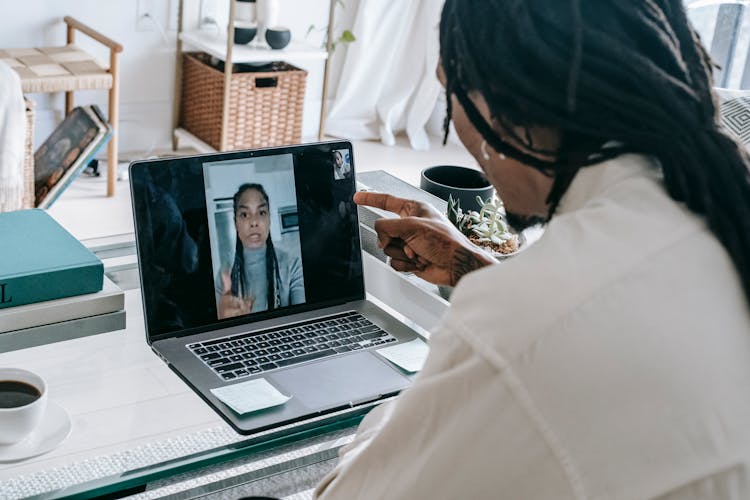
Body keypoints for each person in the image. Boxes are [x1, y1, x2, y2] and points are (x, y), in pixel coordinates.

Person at [314, 1, 750, 499]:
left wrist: (384, 420)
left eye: (450, 87)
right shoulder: (717, 203)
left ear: (506, 109)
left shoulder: (519, 320)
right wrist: (478, 269)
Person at [217, 183, 304, 319]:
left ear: (269, 219)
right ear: (235, 223)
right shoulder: (224, 274)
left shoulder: (293, 265)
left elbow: (302, 318)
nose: (254, 222)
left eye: (261, 212)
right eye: (245, 214)